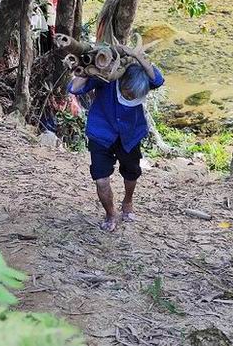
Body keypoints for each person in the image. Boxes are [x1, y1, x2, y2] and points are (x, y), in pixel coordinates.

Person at [68, 44, 164, 231]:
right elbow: (74, 88)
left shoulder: (143, 79)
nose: (131, 97)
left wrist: (137, 56)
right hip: (101, 133)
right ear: (122, 82)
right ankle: (110, 214)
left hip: (130, 134)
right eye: (128, 93)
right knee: (101, 179)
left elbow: (158, 80)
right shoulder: (106, 78)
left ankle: (127, 202)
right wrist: (87, 69)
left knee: (131, 172)